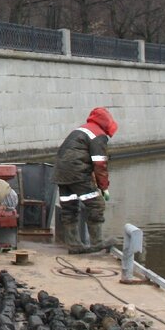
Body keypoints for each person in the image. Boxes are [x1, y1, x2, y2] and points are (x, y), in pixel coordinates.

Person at [55, 107, 121, 254]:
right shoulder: (98, 135)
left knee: (69, 208)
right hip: (77, 173)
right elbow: (100, 164)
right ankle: (97, 242)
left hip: (61, 173)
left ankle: (74, 245)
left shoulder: (81, 130)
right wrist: (104, 188)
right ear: (107, 123)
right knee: (96, 205)